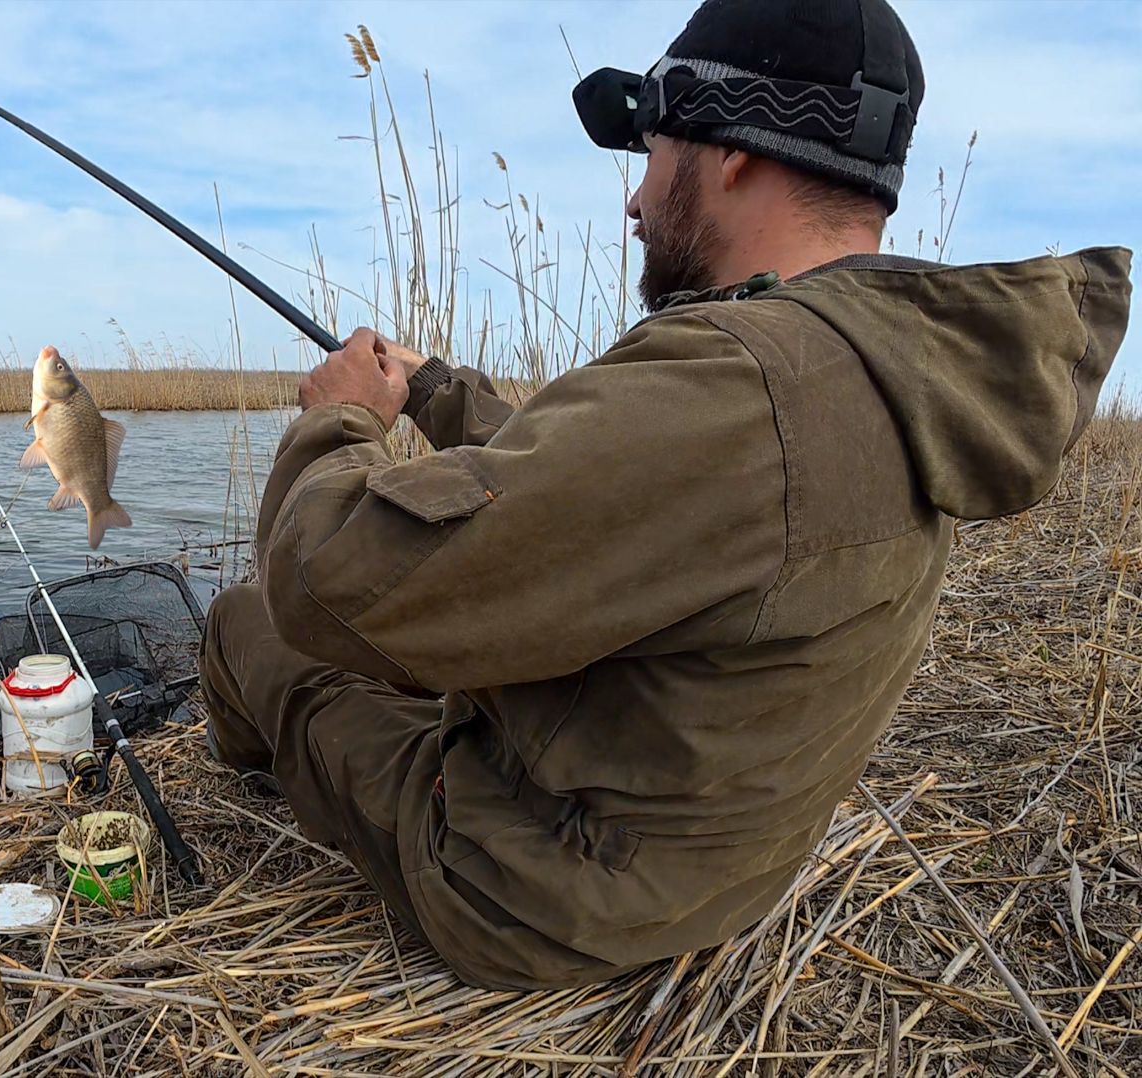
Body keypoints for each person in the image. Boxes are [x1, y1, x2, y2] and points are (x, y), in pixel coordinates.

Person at [199, 0, 1132, 989]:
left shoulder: (740, 388)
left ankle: (235, 808)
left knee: (244, 621)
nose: (636, 203)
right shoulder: (892, 365)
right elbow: (607, 487)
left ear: (731, 153)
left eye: (652, 153)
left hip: (532, 890)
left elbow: (324, 584)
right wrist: (434, 390)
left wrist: (341, 419)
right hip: (699, 874)